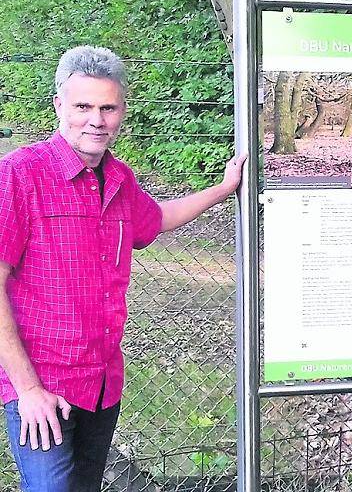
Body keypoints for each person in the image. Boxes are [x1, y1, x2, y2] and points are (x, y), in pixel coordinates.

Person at [0, 45, 246, 491]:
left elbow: (158, 218)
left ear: (121, 111)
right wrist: (27, 391)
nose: (97, 119)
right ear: (59, 105)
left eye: (108, 107)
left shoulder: (119, 179)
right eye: (83, 106)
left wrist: (224, 188)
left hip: (101, 382)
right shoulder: (19, 175)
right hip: (43, 387)